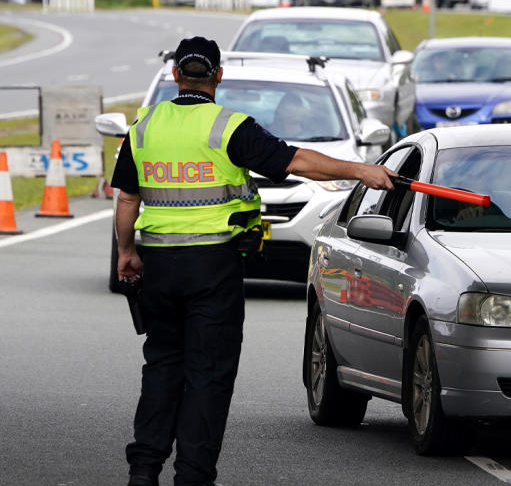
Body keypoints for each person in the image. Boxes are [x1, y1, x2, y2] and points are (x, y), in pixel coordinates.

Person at [111, 37, 395, 486]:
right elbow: (297, 161)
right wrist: (361, 170)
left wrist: (127, 253)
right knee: (208, 374)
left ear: (175, 76)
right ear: (218, 76)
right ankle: (193, 477)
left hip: (159, 267)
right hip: (213, 268)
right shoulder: (229, 127)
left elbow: (127, 198)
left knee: (162, 367)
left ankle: (143, 471)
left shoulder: (144, 126)